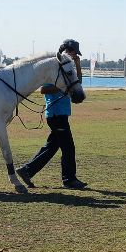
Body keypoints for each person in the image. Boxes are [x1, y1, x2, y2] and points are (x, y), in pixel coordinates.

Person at [16, 39, 87, 189]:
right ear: (68, 50)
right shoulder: (54, 67)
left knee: (52, 147)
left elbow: (77, 83)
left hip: (61, 113)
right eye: (74, 52)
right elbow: (43, 89)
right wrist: (63, 87)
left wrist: (78, 65)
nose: (75, 56)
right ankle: (69, 180)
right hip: (55, 113)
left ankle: (26, 171)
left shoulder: (66, 69)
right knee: (68, 147)